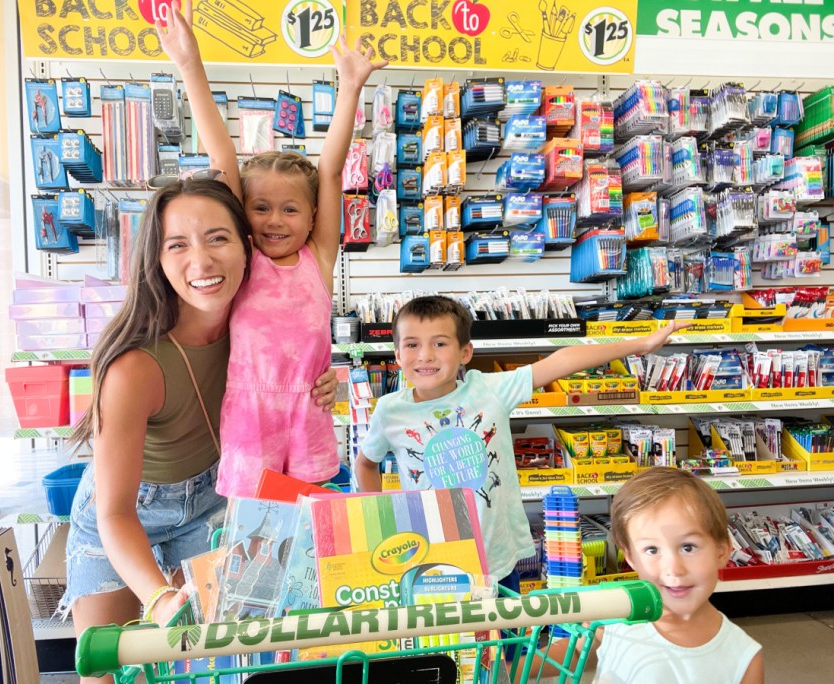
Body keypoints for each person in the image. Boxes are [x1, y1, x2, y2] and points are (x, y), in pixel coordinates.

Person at [61, 180, 337, 683]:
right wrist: (161, 597)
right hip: (127, 513)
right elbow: (114, 511)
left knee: (217, 669)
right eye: (178, 244)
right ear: (156, 260)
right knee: (105, 670)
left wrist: (322, 380)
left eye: (217, 238)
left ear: (247, 247)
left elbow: (304, 368)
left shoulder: (255, 327)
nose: (202, 262)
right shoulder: (133, 368)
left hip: (213, 502)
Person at [157, 0, 387, 497]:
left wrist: (350, 89)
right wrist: (190, 65)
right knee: (253, 527)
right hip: (249, 412)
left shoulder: (319, 258)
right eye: (260, 207)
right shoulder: (244, 257)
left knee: (307, 522)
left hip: (310, 409)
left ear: (313, 218)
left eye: (290, 210)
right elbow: (223, 155)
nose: (274, 220)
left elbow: (330, 168)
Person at [353, 295, 689, 588]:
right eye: (412, 344)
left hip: (497, 560)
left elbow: (561, 361)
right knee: (450, 654)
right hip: (429, 560)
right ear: (397, 354)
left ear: (465, 352)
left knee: (505, 656)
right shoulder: (389, 410)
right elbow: (367, 463)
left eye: (440, 343)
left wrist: (643, 345)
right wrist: (384, 525)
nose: (424, 355)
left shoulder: (488, 390)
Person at [588, 466, 764, 682]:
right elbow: (579, 652)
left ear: (722, 550)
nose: (673, 569)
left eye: (688, 547)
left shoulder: (743, 659)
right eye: (652, 550)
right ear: (631, 557)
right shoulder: (617, 616)